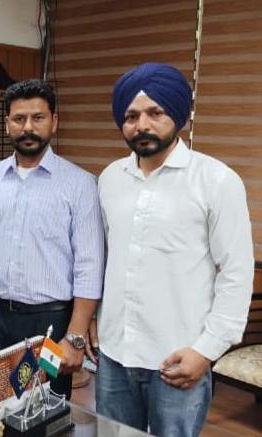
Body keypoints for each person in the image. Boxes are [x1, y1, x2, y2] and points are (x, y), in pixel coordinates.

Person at [93, 62, 254, 436]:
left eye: (155, 112)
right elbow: (107, 257)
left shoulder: (216, 181)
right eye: (131, 116)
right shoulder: (110, 179)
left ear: (179, 115)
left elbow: (236, 272)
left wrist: (206, 351)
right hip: (115, 354)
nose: (142, 125)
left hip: (179, 356)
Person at [0, 79, 105, 399]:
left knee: (42, 412)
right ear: (7, 124)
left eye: (37, 118)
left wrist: (76, 336)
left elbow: (89, 266)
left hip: (50, 323)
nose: (28, 127)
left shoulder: (80, 184)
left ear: (54, 121)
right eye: (19, 119)